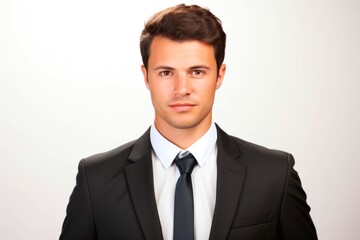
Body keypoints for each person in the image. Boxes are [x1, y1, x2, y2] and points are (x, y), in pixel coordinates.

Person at [59, 4, 317, 240]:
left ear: (219, 76)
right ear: (146, 77)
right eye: (166, 72)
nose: (182, 89)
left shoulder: (274, 175)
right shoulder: (96, 180)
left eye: (197, 72)